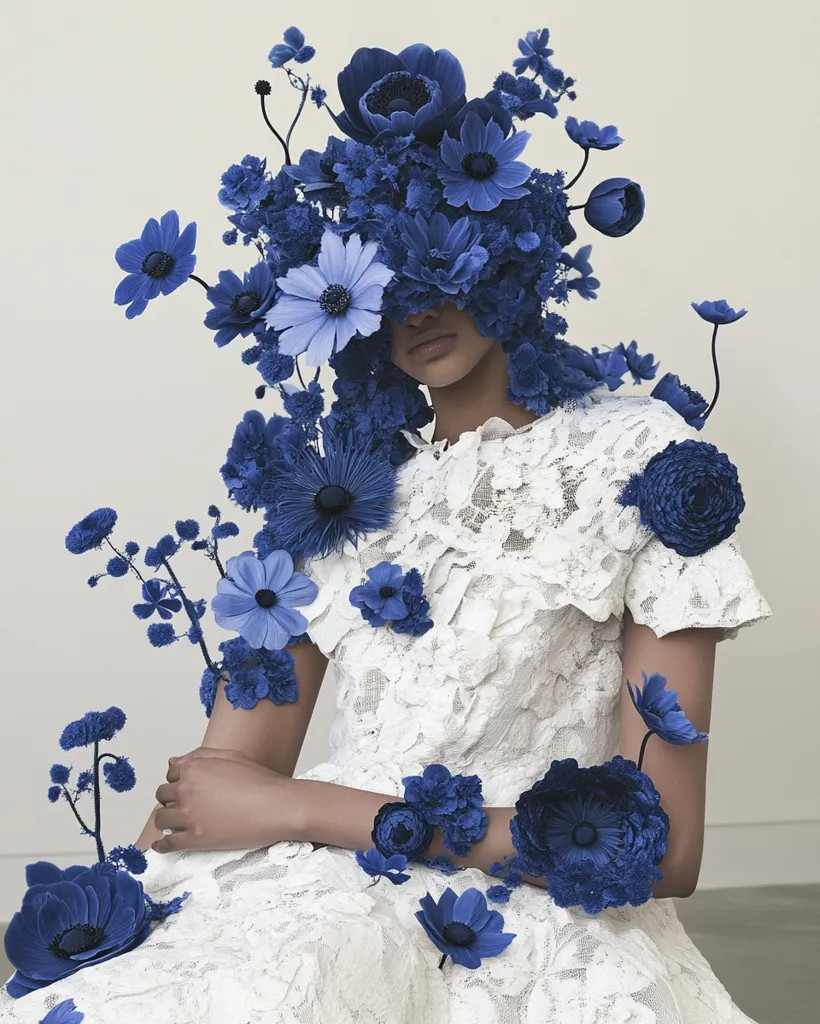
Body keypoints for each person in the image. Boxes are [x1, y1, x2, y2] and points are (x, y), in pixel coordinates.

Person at [1, 25, 771, 1024]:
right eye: (374, 283)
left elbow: (661, 847)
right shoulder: (342, 491)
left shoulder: (641, 459)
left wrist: (308, 809)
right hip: (318, 899)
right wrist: (258, 824)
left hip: (511, 917)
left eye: (433, 258)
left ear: (501, 239)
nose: (412, 311)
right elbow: (216, 785)